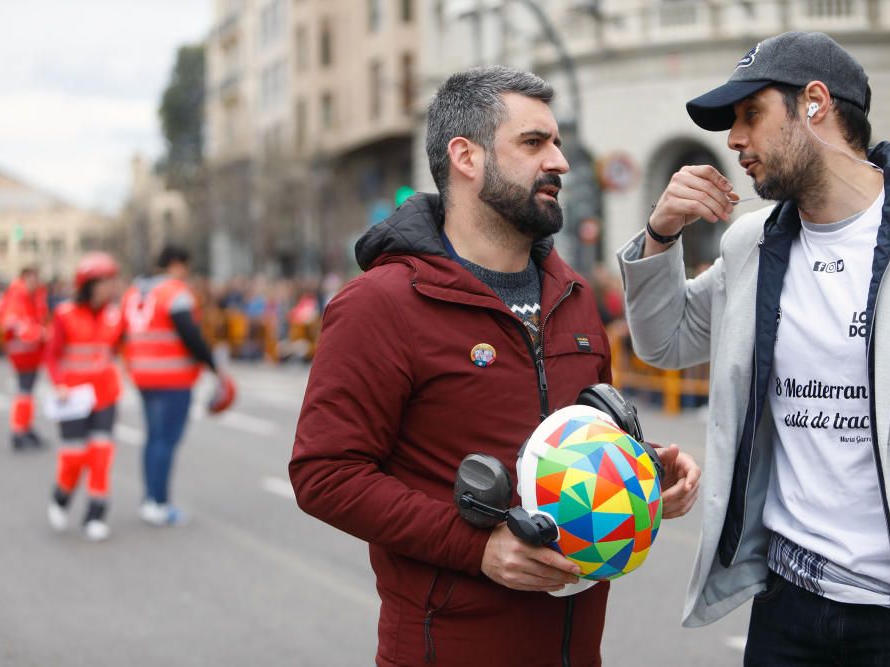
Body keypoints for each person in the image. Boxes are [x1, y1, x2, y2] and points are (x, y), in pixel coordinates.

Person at [290, 65, 700, 667]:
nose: (559, 161)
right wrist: (475, 547)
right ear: (466, 157)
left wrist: (642, 468)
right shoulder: (381, 303)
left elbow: (568, 440)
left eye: (557, 142)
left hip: (576, 648)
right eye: (534, 143)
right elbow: (325, 473)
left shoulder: (574, 295)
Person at [616, 31, 890, 666]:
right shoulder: (753, 245)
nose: (734, 140)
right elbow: (664, 342)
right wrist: (661, 233)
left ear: (814, 103)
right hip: (791, 608)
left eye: (750, 115)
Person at [121, 244, 231, 526]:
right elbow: (190, 335)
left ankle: (149, 499)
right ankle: (159, 502)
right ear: (177, 264)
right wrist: (214, 368)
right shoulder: (174, 292)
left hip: (143, 375)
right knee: (166, 441)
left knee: (152, 439)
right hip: (173, 378)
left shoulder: (135, 291)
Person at [45, 252, 124, 541]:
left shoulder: (116, 315)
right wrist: (59, 384)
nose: (110, 288)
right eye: (104, 282)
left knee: (101, 455)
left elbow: (122, 348)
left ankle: (96, 514)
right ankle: (61, 497)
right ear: (88, 284)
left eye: (111, 281)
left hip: (106, 396)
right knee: (75, 456)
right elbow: (52, 356)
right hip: (74, 398)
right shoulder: (65, 314)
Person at [0, 266, 49, 450]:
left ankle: (24, 427)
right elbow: (15, 323)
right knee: (24, 393)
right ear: (25, 277)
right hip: (23, 352)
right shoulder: (18, 295)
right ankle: (20, 430)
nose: (36, 282)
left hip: (31, 352)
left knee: (27, 393)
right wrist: (40, 334)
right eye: (33, 278)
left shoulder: (31, 295)